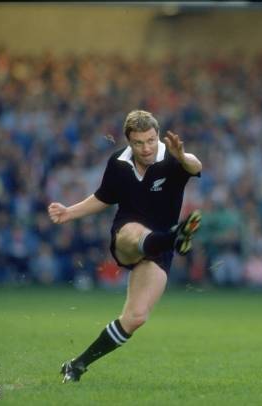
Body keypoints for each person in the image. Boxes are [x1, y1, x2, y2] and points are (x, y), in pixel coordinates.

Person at [48, 110, 203, 383]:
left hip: (160, 248)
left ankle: (77, 365)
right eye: (139, 142)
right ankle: (175, 238)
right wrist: (69, 212)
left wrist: (181, 156)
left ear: (157, 135)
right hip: (127, 236)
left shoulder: (173, 157)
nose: (147, 147)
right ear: (129, 142)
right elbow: (103, 197)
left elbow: (196, 166)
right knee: (136, 233)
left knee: (136, 317)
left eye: (151, 140)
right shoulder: (118, 163)